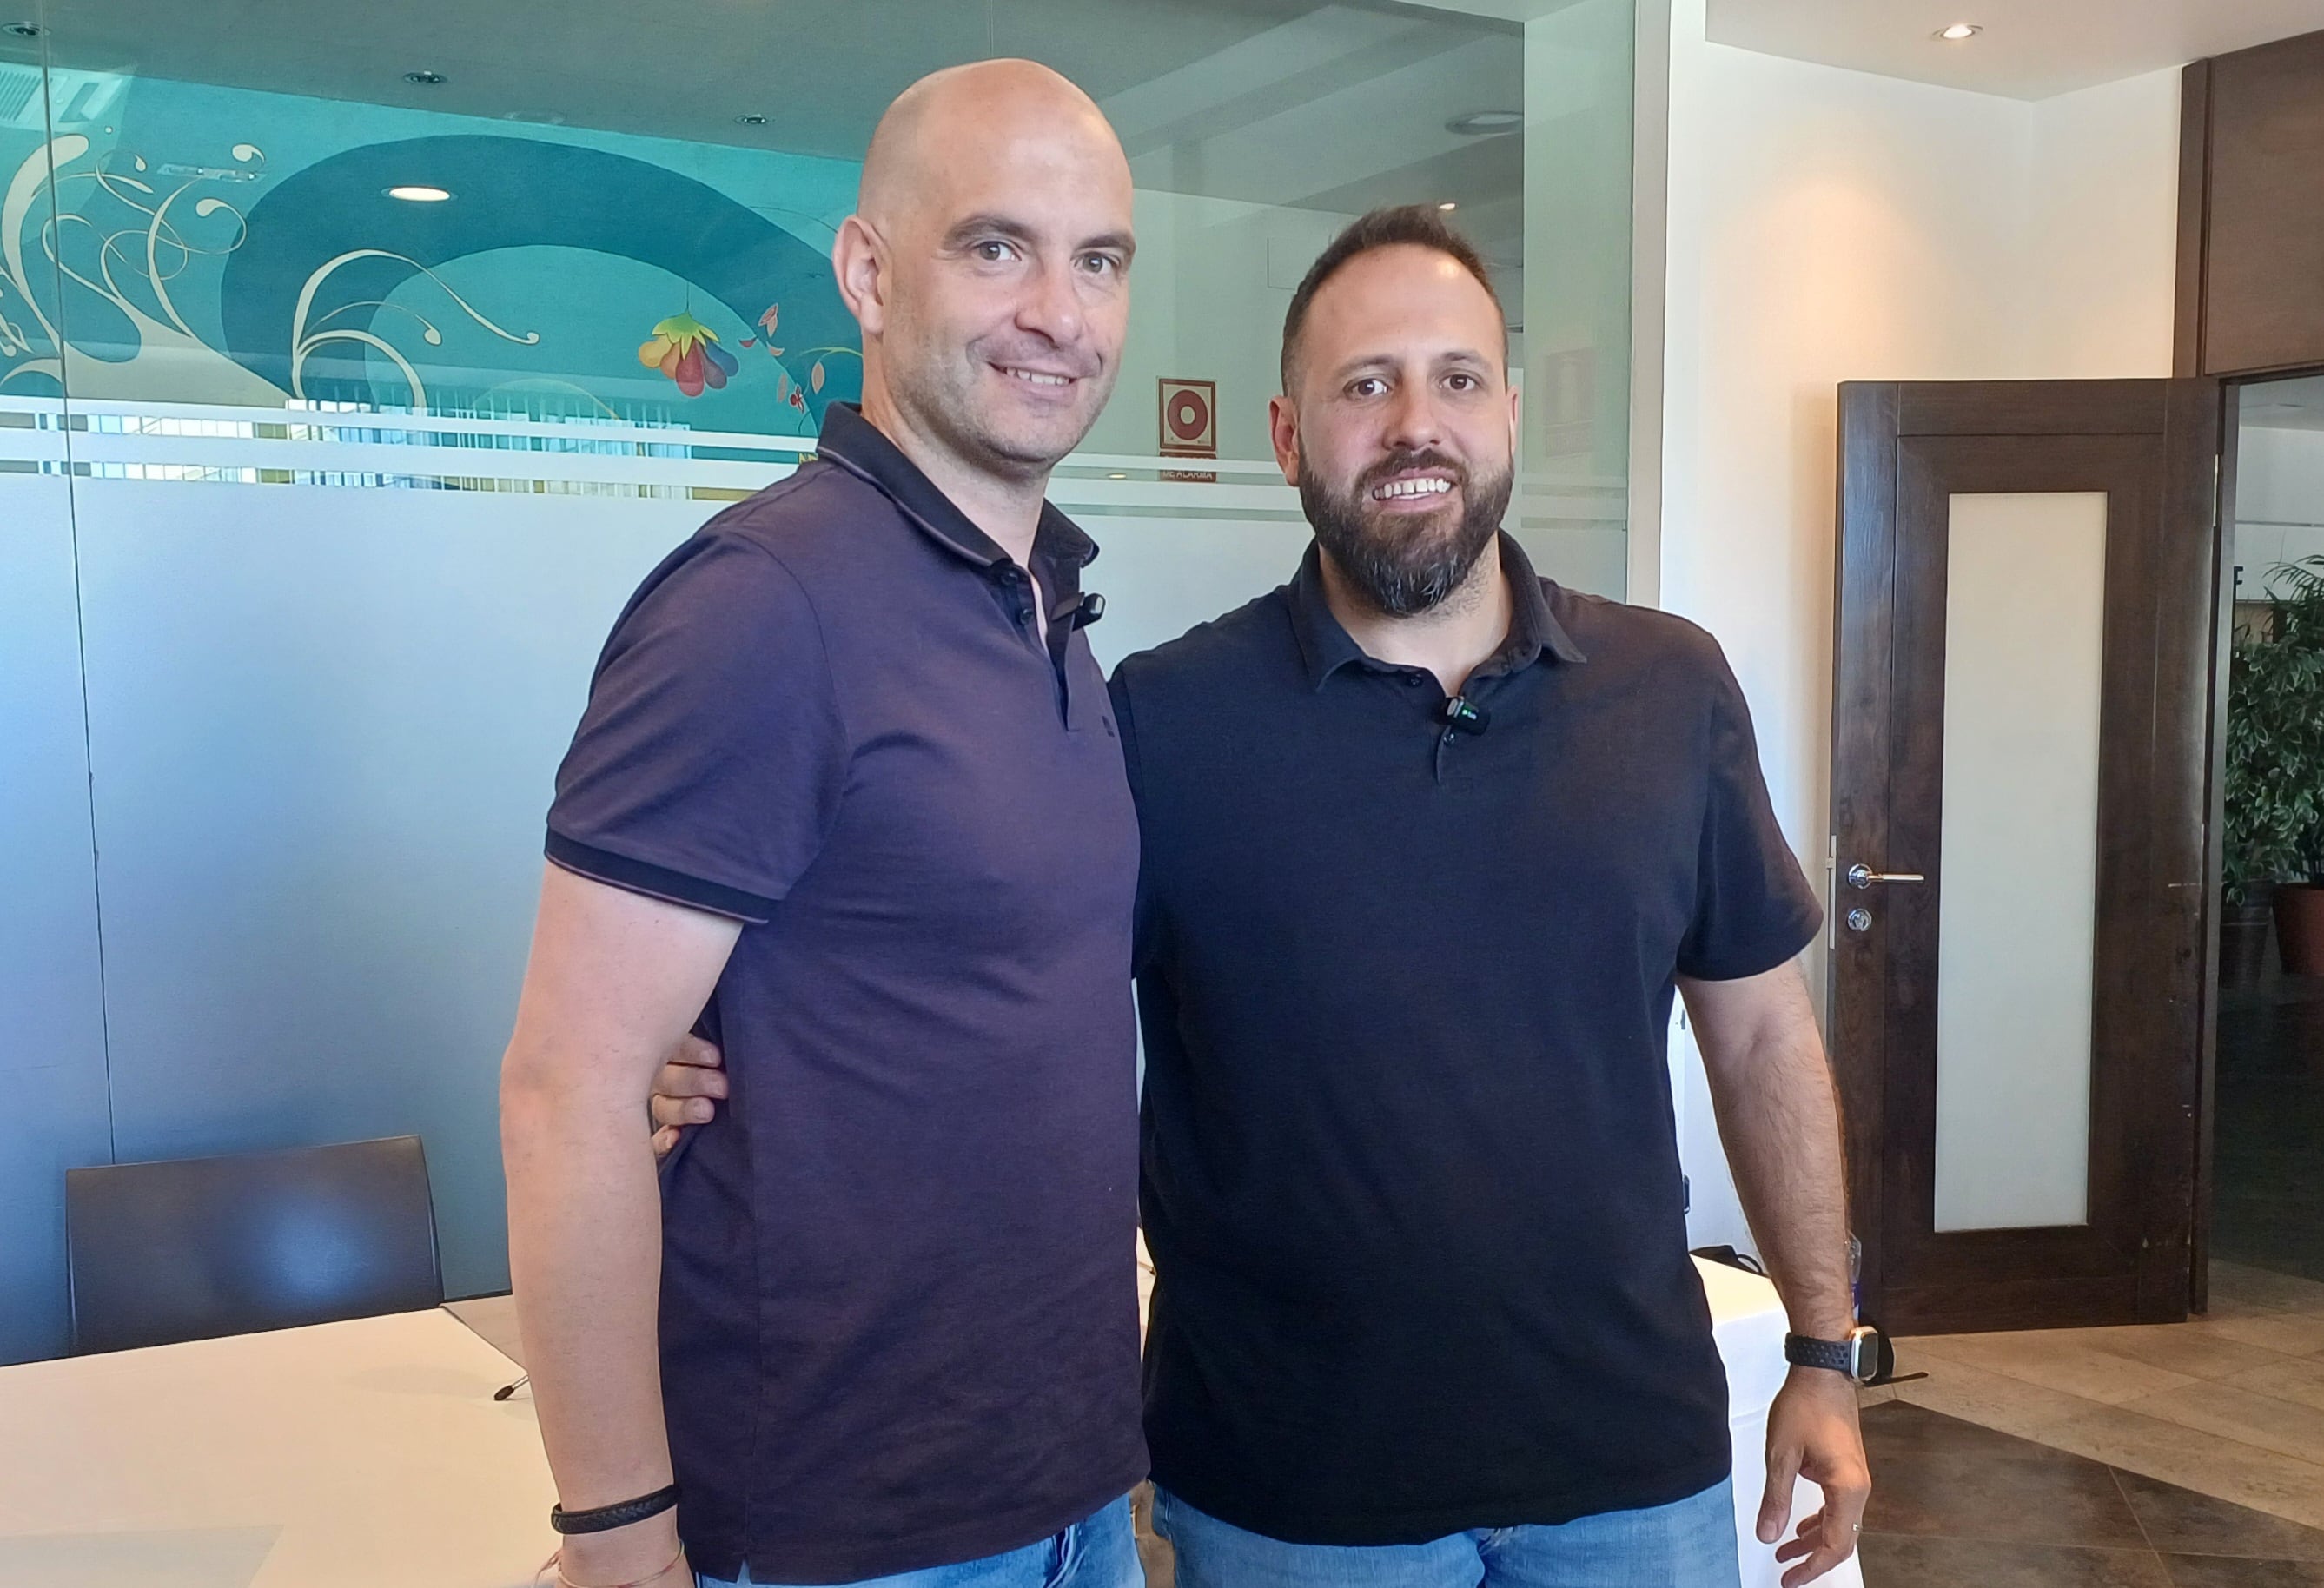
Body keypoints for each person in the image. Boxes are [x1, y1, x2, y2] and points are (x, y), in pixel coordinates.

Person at [654, 206, 1872, 1587]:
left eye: (1457, 380)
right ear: (1290, 439)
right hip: (1289, 1495)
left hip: (1629, 1475)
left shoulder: (1670, 689)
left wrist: (1824, 1355)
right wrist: (717, 1037)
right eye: (1366, 386)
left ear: (1511, 419)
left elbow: (1764, 1037)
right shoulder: (1163, 724)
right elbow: (993, 982)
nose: (1417, 423)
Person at [500, 60, 1149, 1588]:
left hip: (1061, 1498)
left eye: (1100, 259)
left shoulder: (1045, 607)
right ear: (867, 272)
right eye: (997, 247)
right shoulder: (763, 608)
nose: (1059, 310)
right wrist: (617, 1531)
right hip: (836, 1533)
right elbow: (565, 1090)